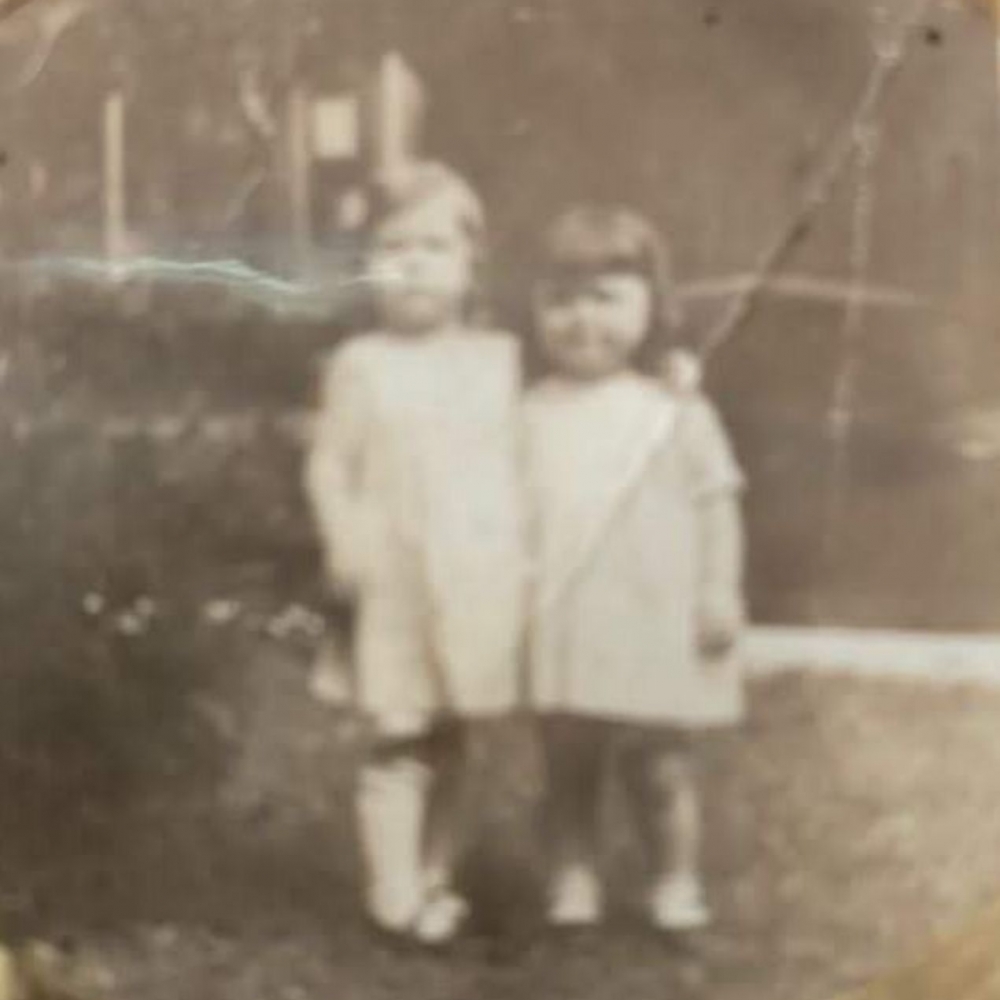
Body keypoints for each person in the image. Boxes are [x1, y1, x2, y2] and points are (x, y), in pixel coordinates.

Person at [304, 161, 526, 946]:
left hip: (473, 577)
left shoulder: (500, 360)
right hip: (393, 578)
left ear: (472, 264)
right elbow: (330, 463)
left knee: (459, 734)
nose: (414, 266)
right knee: (399, 732)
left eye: (435, 247)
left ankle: (437, 873)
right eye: (393, 249)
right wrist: (342, 534)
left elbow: (529, 455)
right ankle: (393, 890)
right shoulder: (361, 363)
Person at [523, 204, 746, 933]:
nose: (582, 319)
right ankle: (573, 876)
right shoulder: (527, 413)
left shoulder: (675, 411)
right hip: (567, 614)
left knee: (660, 764)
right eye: (562, 299)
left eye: (606, 297)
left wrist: (717, 589)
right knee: (568, 762)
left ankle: (674, 879)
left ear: (652, 306)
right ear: (535, 308)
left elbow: (717, 504)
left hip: (653, 611)